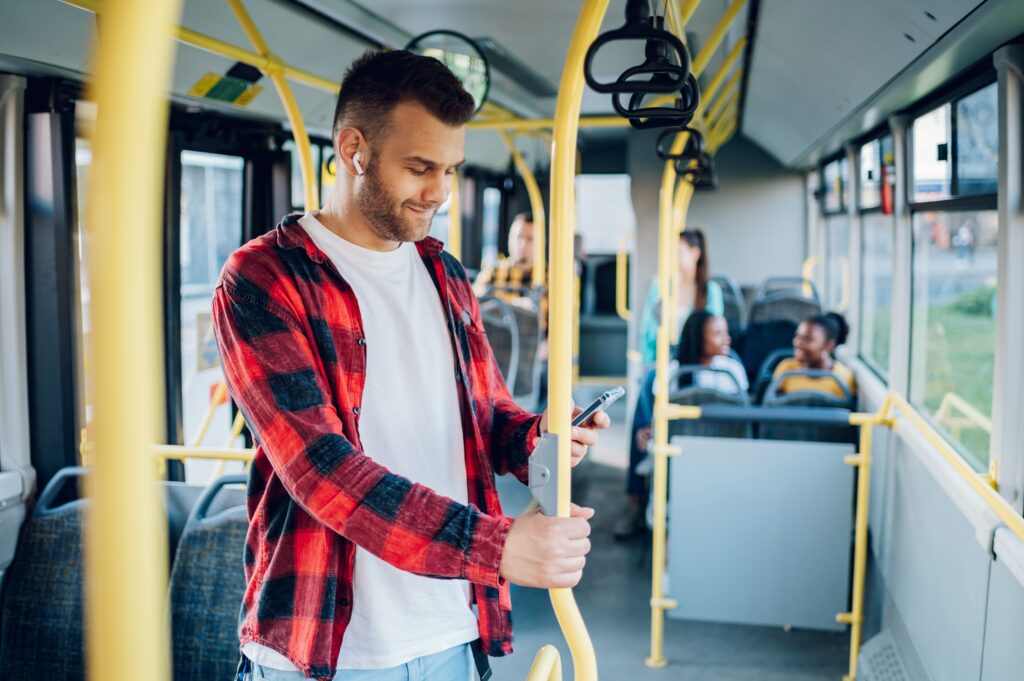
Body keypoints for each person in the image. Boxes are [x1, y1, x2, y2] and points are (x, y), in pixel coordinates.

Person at [212, 50, 609, 681]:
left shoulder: (442, 272)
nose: (439, 193)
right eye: (420, 168)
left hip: (451, 628)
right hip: (331, 645)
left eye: (450, 169)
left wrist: (545, 440)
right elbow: (320, 470)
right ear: (354, 149)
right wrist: (499, 546)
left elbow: (487, 415)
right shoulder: (264, 280)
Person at [614, 311, 746, 539]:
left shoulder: (732, 371)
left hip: (721, 456)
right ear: (697, 339)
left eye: (726, 332)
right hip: (680, 458)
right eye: (717, 334)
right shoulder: (670, 374)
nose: (727, 339)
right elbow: (659, 425)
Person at [637, 229, 723, 364]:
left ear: (695, 253)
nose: (672, 257)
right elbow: (647, 331)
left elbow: (714, 333)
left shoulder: (711, 291)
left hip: (697, 363)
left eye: (678, 252)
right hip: (662, 362)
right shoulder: (659, 287)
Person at [772, 312, 857, 399]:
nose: (798, 343)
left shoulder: (842, 378)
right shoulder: (786, 368)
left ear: (829, 346)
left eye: (807, 339)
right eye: (798, 336)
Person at [473, 212, 536, 298]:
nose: (523, 244)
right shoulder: (493, 272)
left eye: (530, 239)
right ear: (510, 239)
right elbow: (473, 301)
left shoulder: (549, 278)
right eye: (518, 237)